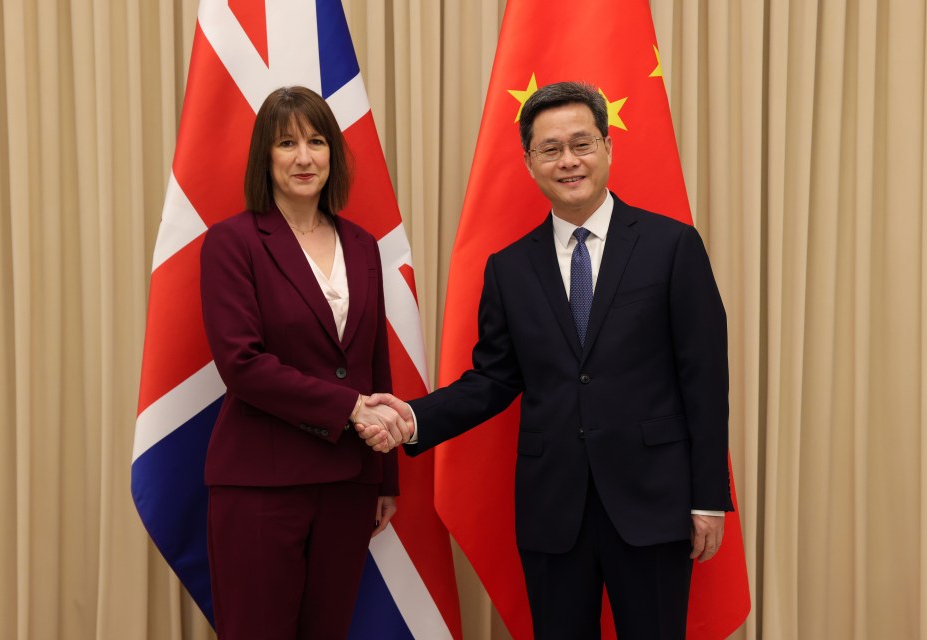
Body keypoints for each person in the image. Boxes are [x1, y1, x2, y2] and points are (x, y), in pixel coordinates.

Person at [359, 81, 732, 639]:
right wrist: (412, 418)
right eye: (551, 149)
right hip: (554, 510)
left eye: (582, 144)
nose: (568, 161)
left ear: (608, 147)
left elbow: (704, 378)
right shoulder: (509, 268)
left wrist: (709, 498)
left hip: (654, 501)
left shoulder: (671, 246)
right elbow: (492, 380)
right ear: (529, 161)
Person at [199, 86, 413, 640]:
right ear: (264, 157)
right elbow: (241, 364)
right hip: (260, 486)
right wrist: (350, 409)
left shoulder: (363, 244)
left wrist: (385, 474)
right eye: (286, 143)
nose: (303, 157)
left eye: (317, 141)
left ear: (332, 154)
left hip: (349, 482)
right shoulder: (232, 243)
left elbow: (372, 361)